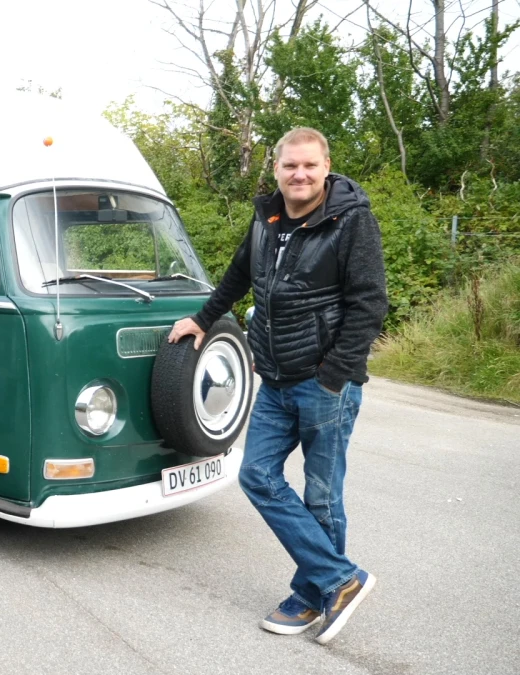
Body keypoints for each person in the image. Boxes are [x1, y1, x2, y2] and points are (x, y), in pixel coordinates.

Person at [167, 127, 388, 645]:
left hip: (324, 383)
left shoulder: (351, 220)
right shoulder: (267, 217)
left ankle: (312, 597)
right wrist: (203, 318)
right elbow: (239, 275)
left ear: (326, 165)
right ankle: (339, 580)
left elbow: (370, 303)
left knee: (321, 496)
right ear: (277, 169)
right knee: (258, 475)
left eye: (310, 165)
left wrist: (335, 374)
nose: (300, 174)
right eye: (291, 166)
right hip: (275, 378)